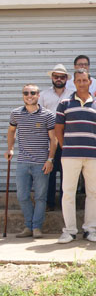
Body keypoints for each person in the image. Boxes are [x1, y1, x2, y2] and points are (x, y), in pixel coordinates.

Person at [55, 68, 96, 244]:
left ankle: (91, 230)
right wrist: (66, 147)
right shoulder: (65, 103)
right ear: (74, 82)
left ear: (90, 82)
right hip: (70, 155)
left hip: (92, 155)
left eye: (85, 80)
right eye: (79, 80)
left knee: (93, 193)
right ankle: (69, 231)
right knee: (68, 193)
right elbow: (58, 129)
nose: (82, 83)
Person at [5, 84, 56, 239]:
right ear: (23, 95)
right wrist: (10, 148)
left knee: (41, 197)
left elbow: (53, 140)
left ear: (38, 95)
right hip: (22, 162)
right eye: (26, 93)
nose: (29, 95)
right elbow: (11, 131)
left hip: (41, 163)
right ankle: (29, 225)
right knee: (22, 196)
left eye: (32, 93)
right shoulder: (16, 113)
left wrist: (50, 159)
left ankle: (36, 227)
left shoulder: (47, 115)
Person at [39, 64, 73, 211]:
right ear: (52, 77)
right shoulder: (43, 95)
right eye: (56, 76)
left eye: (62, 77)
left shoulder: (73, 94)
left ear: (66, 79)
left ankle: (65, 204)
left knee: (67, 172)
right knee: (50, 171)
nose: (59, 79)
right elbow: (39, 117)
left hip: (68, 137)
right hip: (50, 138)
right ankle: (50, 203)